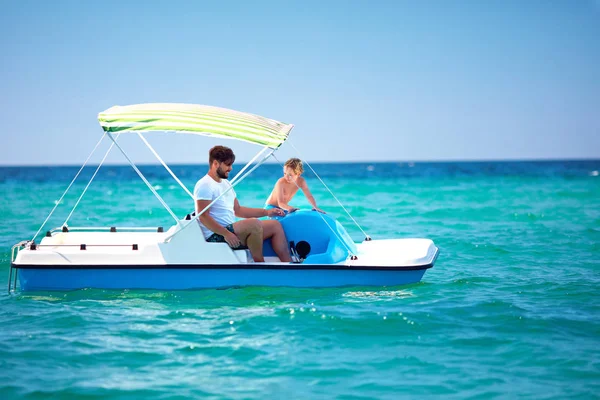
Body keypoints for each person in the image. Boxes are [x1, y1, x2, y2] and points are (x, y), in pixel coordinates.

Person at [194, 145, 292, 263]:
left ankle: (289, 264)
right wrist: (226, 234)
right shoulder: (205, 185)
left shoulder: (226, 183)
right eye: (227, 164)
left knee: (275, 225)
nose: (230, 168)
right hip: (216, 235)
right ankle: (260, 264)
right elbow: (203, 216)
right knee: (254, 224)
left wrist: (266, 212)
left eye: (231, 164)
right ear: (215, 164)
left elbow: (238, 210)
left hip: (231, 230)